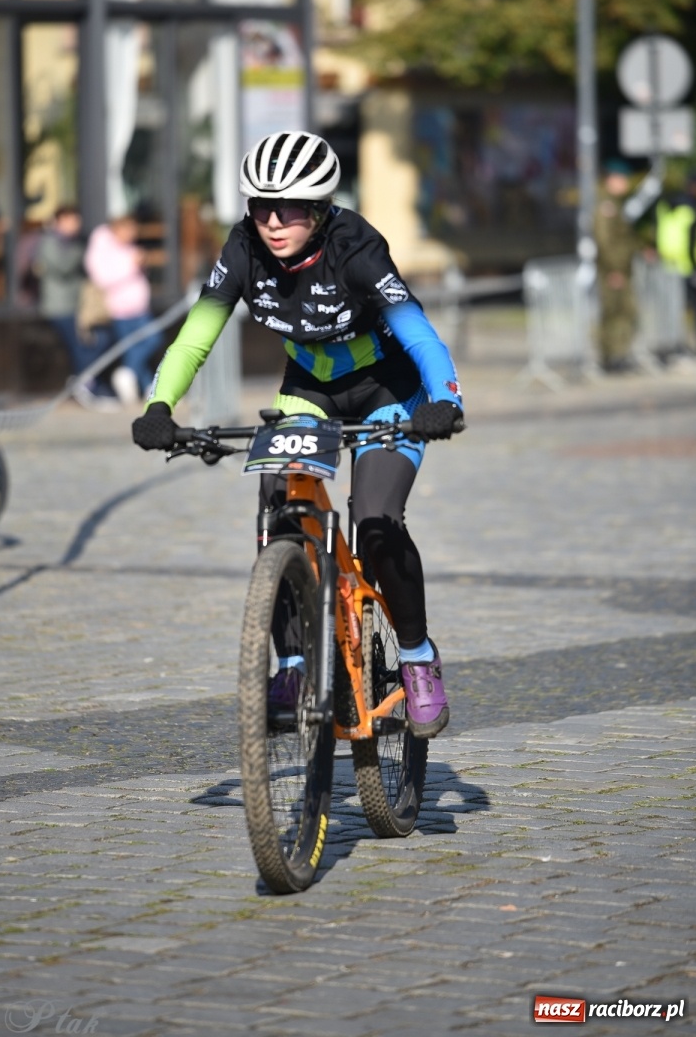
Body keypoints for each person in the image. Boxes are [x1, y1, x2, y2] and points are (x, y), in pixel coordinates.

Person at [131, 130, 464, 739]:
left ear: (319, 209)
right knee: (280, 509)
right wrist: (160, 405)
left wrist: (444, 399)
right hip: (309, 388)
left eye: (289, 209)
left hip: (389, 390)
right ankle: (289, 665)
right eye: (260, 207)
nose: (273, 222)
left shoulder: (357, 247)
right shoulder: (242, 249)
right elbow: (196, 335)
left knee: (377, 521)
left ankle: (417, 656)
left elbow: (417, 333)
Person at [34, 204, 116, 410]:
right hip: (60, 307)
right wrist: (84, 251)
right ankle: (85, 385)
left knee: (96, 342)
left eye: (77, 220)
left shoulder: (78, 242)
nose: (75, 225)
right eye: (70, 220)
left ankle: (84, 382)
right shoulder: (50, 242)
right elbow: (63, 266)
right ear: (59, 221)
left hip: (79, 306)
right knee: (79, 348)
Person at [84, 214, 163, 404]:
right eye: (128, 230)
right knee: (148, 341)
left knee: (140, 348)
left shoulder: (129, 249)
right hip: (120, 310)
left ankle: (146, 387)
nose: (132, 234)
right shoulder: (103, 250)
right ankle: (132, 376)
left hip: (139, 308)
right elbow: (103, 279)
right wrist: (131, 265)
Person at [594, 160, 641, 372]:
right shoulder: (606, 205)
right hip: (613, 270)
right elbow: (604, 240)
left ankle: (618, 355)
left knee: (623, 313)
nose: (626, 184)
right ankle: (613, 357)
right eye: (622, 179)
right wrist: (615, 269)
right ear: (612, 178)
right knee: (616, 314)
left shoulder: (614, 203)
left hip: (620, 268)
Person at [655, 171, 696, 350]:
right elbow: (691, 240)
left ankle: (677, 346)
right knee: (691, 309)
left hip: (670, 264)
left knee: (674, 309)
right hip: (690, 265)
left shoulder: (668, 205)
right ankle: (684, 346)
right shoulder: (691, 208)